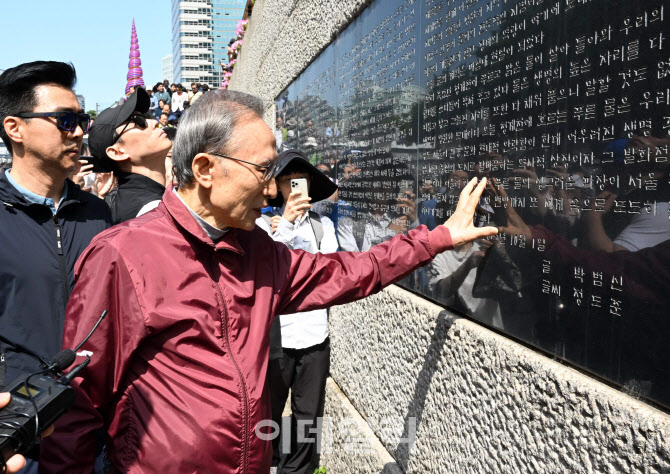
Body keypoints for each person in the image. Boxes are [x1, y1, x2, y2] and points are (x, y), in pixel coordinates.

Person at [39, 90, 496, 473]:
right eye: (263, 170)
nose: (272, 188)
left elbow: (349, 272)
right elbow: (79, 402)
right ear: (204, 169)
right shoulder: (121, 255)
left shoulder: (257, 248)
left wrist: (437, 238)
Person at [0, 61, 111, 472]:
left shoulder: (100, 214)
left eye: (81, 119)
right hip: (20, 441)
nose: (79, 131)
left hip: (96, 437)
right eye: (65, 120)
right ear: (16, 128)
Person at [255, 150, 338, 473]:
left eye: (299, 182)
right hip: (277, 336)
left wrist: (294, 232)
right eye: (288, 182)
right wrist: (285, 226)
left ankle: (300, 469)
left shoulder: (322, 226)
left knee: (309, 413)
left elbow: (327, 271)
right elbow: (267, 268)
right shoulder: (261, 225)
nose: (295, 189)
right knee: (270, 411)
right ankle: (269, 463)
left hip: (315, 334)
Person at [88, 88, 172, 225]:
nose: (153, 122)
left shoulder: (127, 203)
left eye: (146, 117)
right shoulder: (149, 213)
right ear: (117, 152)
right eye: (138, 121)